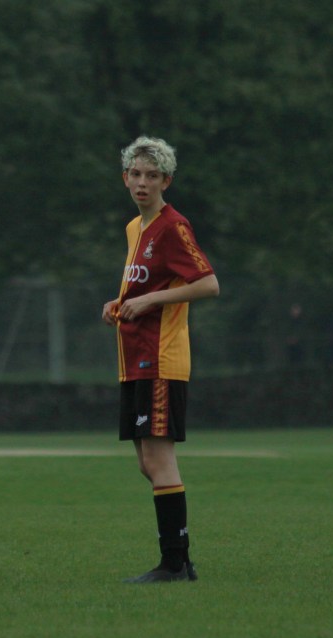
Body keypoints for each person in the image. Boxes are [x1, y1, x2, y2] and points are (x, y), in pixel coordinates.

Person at [101, 136, 219, 584]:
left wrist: (150, 302)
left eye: (153, 175)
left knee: (160, 459)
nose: (143, 182)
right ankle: (179, 560)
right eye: (136, 174)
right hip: (133, 360)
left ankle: (175, 563)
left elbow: (208, 284)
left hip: (161, 360)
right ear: (125, 178)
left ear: (167, 180)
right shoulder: (136, 228)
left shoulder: (174, 226)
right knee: (147, 463)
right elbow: (144, 289)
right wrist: (119, 302)